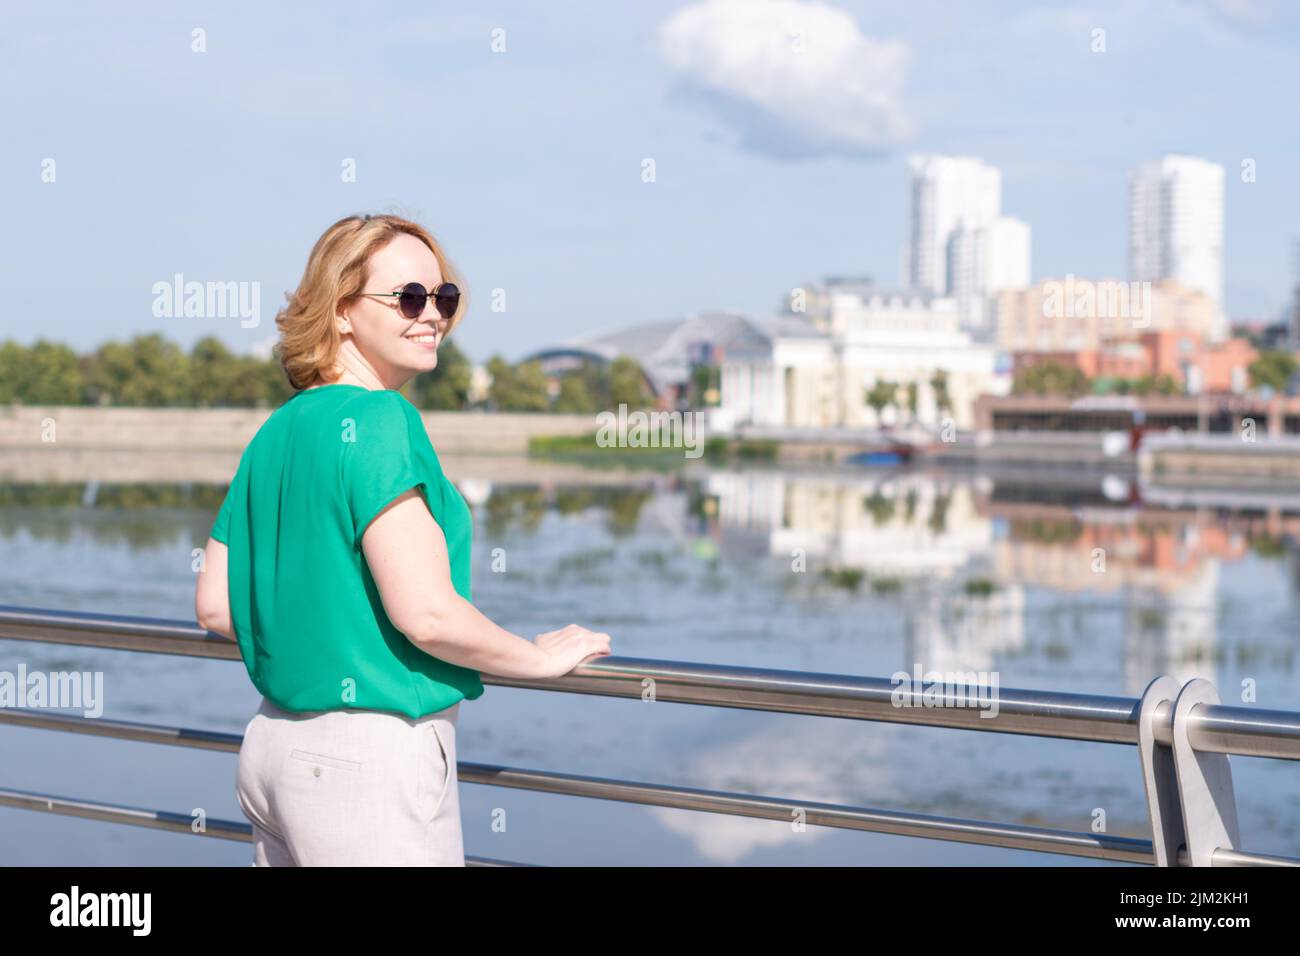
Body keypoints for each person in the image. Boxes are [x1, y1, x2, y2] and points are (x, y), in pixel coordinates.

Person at [193, 213, 612, 866]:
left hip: (272, 748)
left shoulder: (277, 431)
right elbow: (426, 613)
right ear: (340, 311)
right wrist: (537, 659)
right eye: (409, 298)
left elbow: (216, 606)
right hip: (369, 768)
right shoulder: (381, 418)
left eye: (443, 297)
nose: (433, 315)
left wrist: (324, 641)